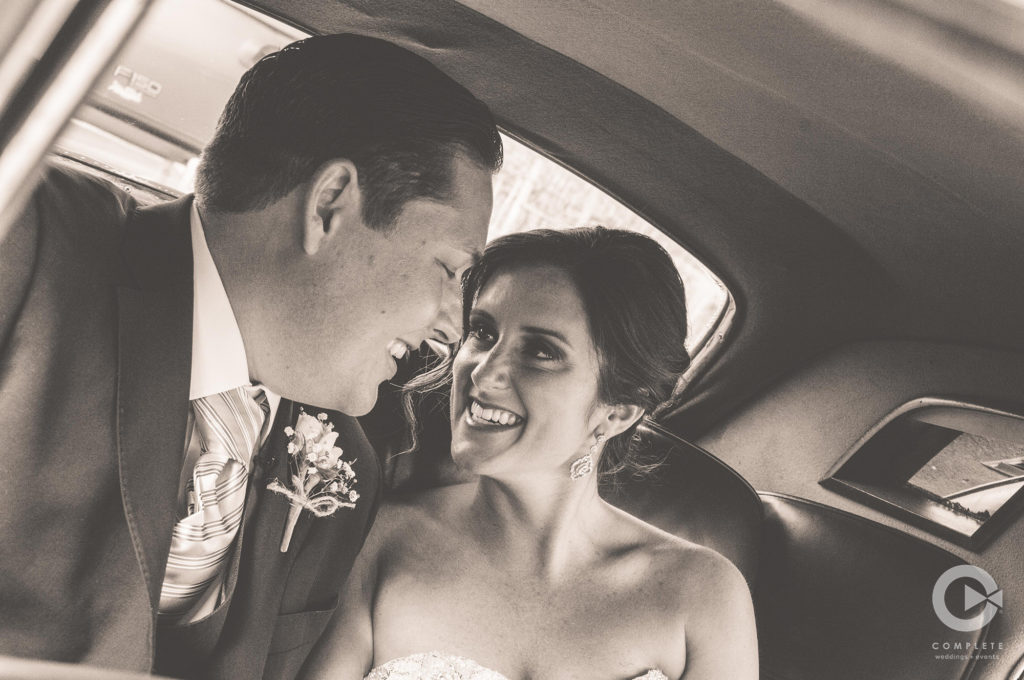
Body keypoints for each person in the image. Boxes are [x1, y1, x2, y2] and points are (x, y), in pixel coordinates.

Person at [0, 34, 501, 680]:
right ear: (330, 206)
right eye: (452, 269)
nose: (452, 326)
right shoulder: (25, 242)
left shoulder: (354, 452)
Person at [302, 228, 758, 680]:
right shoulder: (382, 539)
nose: (483, 371)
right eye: (482, 332)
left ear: (617, 412)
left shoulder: (703, 596)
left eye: (541, 351)